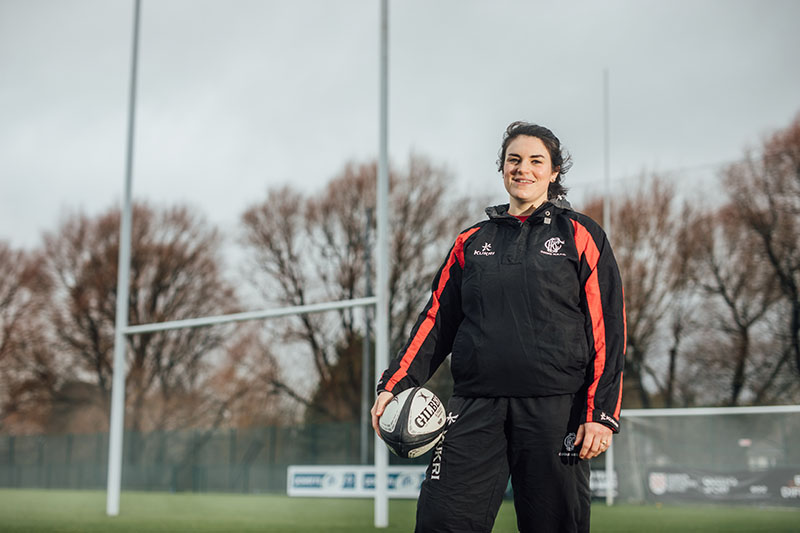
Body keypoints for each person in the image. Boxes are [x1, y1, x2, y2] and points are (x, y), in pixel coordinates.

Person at [371, 121, 626, 533]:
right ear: (502, 168)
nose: (523, 168)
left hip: (556, 412)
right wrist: (394, 383)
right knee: (442, 522)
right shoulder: (471, 241)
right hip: (473, 407)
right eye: (514, 160)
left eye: (535, 160)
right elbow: (437, 320)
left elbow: (608, 328)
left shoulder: (581, 234)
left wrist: (601, 412)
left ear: (554, 172)